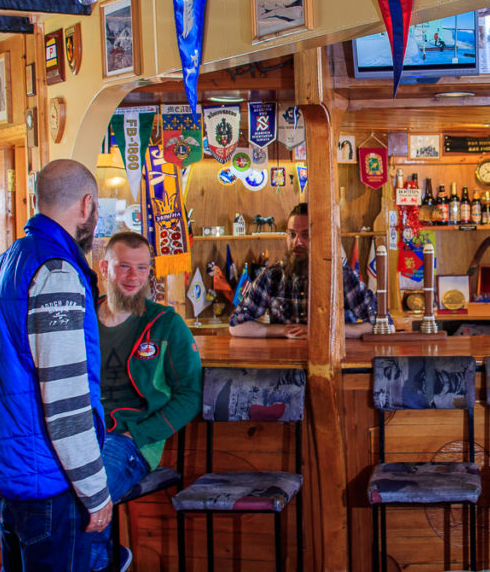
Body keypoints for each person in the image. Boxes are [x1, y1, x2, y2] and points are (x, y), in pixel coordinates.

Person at [0, 159, 110, 571]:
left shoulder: (2, 265)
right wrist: (96, 492)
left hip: (14, 480)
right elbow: (65, 400)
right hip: (54, 483)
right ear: (87, 205)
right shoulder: (57, 273)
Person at [90, 231, 202, 572]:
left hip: (131, 441)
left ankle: (101, 560)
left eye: (142, 268)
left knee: (90, 492)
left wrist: (136, 436)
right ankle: (104, 558)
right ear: (104, 267)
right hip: (80, 434)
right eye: (124, 266)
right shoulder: (82, 318)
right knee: (42, 493)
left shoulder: (166, 324)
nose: (133, 277)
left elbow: (190, 395)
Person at [229, 202, 377, 338]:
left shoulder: (342, 277)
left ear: (320, 238)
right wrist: (285, 330)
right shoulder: (271, 276)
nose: (297, 242)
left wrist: (328, 331)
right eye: (292, 234)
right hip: (285, 363)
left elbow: (381, 323)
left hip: (335, 363)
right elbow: (236, 325)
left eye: (306, 235)